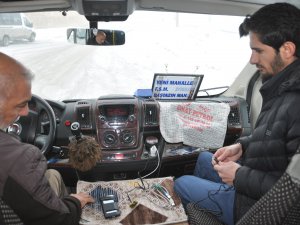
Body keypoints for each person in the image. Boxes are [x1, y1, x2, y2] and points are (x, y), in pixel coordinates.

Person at [174, 3, 300, 225]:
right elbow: (275, 133)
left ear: (287, 50)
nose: (252, 60)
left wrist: (239, 177)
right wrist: (242, 146)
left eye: (258, 50)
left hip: (256, 209)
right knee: (205, 159)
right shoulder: (282, 87)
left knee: (181, 183)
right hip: (253, 183)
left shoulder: (294, 100)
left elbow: (291, 194)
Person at [0, 52, 94, 225]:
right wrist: (76, 201)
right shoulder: (18, 158)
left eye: (28, 103)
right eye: (20, 105)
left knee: (53, 174)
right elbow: (58, 219)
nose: (26, 112)